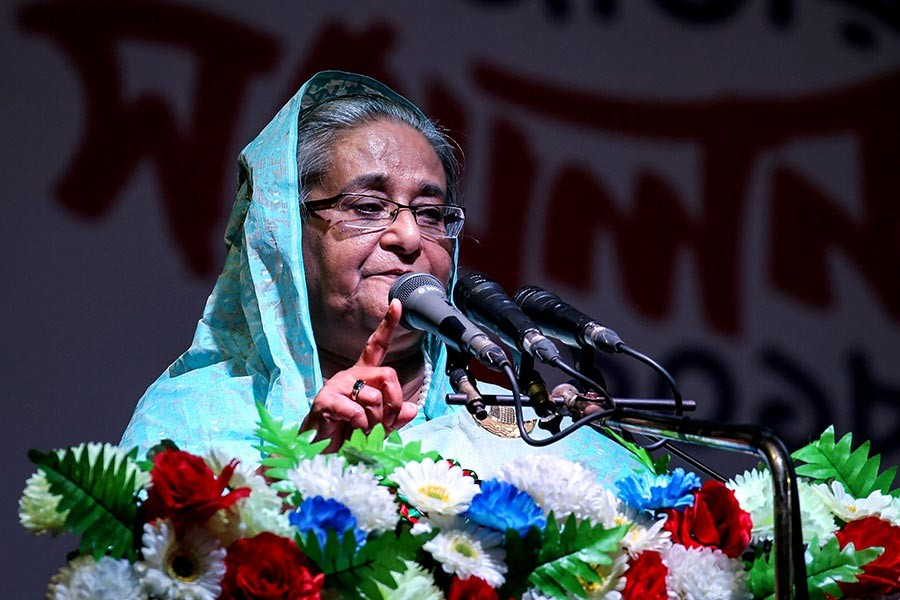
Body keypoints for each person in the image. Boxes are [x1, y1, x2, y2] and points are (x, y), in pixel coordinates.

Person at [120, 70, 645, 485]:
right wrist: (298, 481)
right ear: (282, 237)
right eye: (368, 207)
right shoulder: (194, 425)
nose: (410, 238)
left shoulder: (531, 435)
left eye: (433, 214)